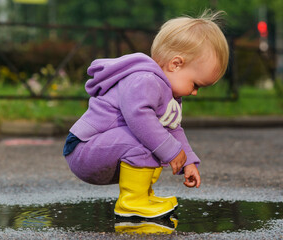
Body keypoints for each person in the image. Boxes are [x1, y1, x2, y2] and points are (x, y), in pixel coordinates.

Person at [63, 10, 229, 219]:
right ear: (176, 64)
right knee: (153, 139)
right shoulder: (145, 80)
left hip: (102, 148)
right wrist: (171, 150)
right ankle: (132, 203)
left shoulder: (168, 94)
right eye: (196, 84)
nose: (195, 92)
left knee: (162, 141)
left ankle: (143, 196)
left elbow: (173, 128)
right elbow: (139, 118)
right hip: (83, 147)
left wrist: (188, 161)